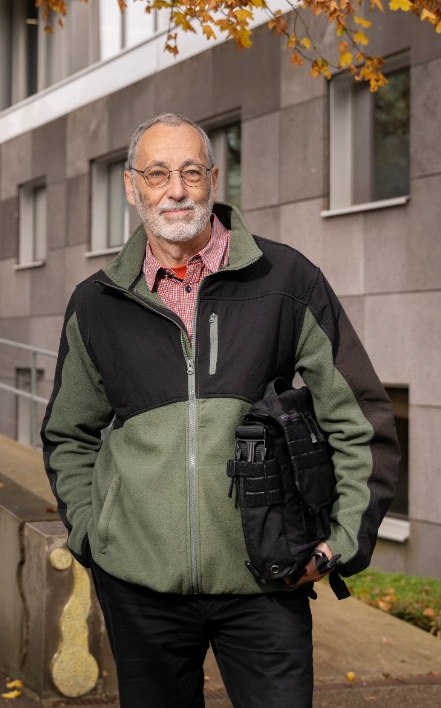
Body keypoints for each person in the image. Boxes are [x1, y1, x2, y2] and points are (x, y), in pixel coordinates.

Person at [40, 113, 400, 708]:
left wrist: (342, 540)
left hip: (269, 579)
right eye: (157, 174)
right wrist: (92, 533)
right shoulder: (97, 302)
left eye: (190, 172)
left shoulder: (287, 279)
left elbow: (357, 415)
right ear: (132, 187)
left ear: (212, 179)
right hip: (139, 587)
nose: (176, 190)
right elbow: (68, 435)